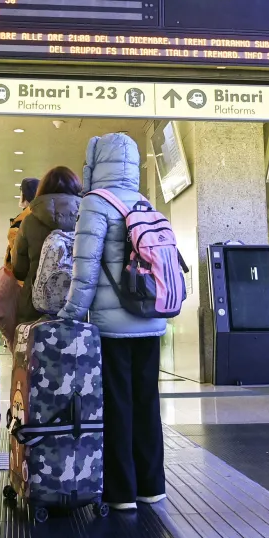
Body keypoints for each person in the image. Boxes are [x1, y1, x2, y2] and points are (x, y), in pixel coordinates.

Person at [58, 133, 165, 511]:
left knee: (118, 403)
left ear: (96, 162)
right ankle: (152, 486)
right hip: (151, 319)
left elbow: (84, 271)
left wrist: (70, 315)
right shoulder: (144, 201)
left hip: (113, 327)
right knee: (147, 402)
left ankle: (121, 493)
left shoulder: (95, 203)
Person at [12, 166, 81, 322]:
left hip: (35, 307)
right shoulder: (88, 219)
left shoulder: (29, 221)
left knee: (35, 338)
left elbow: (19, 270)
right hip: (78, 304)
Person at [5, 176, 40, 270]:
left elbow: (16, 259)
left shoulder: (20, 223)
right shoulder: (45, 218)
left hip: (23, 276)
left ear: (24, 195)